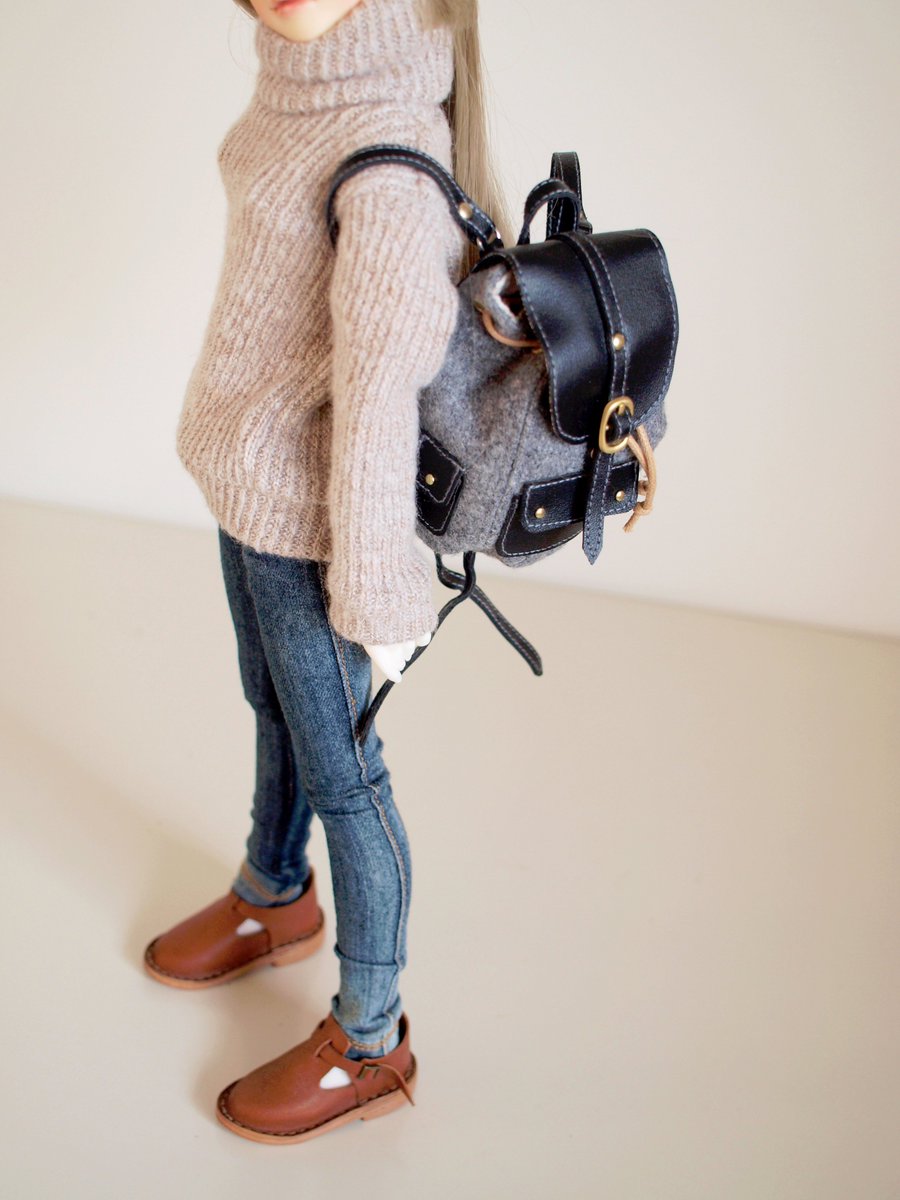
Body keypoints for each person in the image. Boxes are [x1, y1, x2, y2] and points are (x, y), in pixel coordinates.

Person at [142, 0, 512, 1146]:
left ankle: (370, 1037)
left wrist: (379, 600)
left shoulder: (387, 154)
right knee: (274, 711)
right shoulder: (300, 91)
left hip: (318, 533)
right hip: (252, 492)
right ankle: (274, 893)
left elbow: (378, 410)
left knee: (350, 779)